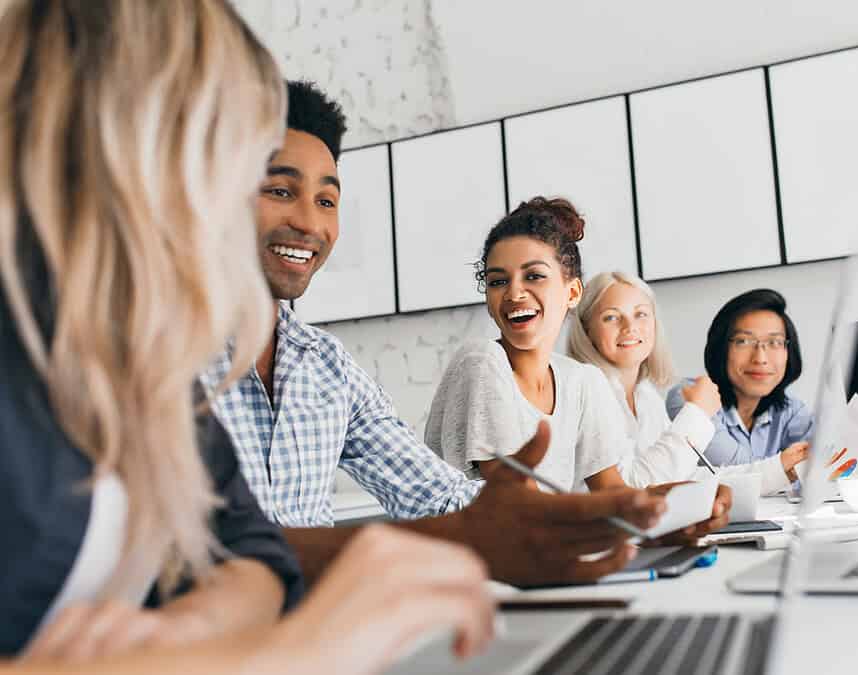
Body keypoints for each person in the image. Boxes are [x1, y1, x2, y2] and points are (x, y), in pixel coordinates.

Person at [0, 0, 493, 671]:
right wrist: (298, 651)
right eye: (233, 154)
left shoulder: (136, 349)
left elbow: (251, 552)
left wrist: (187, 632)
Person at [204, 82, 669, 585]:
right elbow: (185, 555)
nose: (309, 222)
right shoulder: (162, 355)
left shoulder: (326, 367)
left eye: (327, 200)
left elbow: (437, 493)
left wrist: (645, 518)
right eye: (280, 191)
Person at [425, 198, 729, 536]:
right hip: (474, 557)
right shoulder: (482, 361)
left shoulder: (581, 381)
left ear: (572, 292)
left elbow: (613, 493)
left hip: (542, 551)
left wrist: (690, 501)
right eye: (498, 281)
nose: (514, 293)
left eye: (534, 276)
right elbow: (519, 506)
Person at [566, 271, 724, 487]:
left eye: (640, 314)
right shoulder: (587, 391)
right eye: (611, 317)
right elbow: (630, 488)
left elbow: (680, 475)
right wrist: (698, 412)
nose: (629, 327)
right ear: (587, 330)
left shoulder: (646, 394)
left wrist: (770, 472)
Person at [666, 289, 813, 494]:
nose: (760, 358)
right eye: (743, 341)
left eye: (774, 342)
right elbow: (741, 476)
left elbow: (818, 473)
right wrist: (787, 468)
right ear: (721, 348)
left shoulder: (791, 411)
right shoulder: (689, 397)